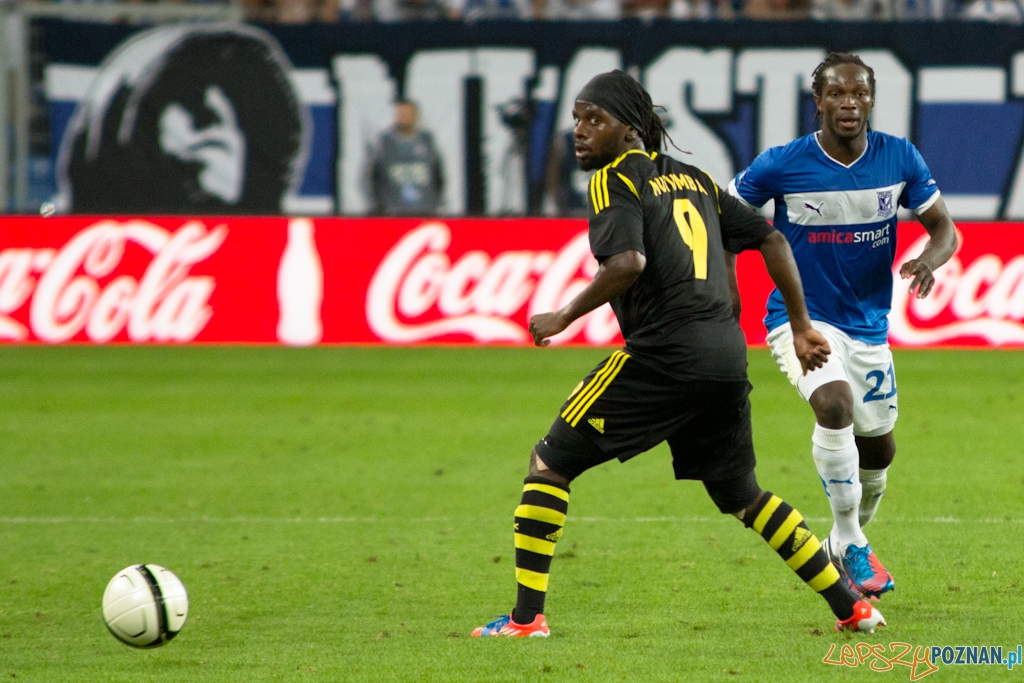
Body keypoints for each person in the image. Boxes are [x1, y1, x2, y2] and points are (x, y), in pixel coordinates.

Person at [471, 70, 885, 639]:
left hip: (666, 354)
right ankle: (852, 607)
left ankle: (524, 620)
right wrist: (801, 325)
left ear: (630, 129)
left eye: (595, 119)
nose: (581, 132)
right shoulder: (695, 180)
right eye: (577, 120)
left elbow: (627, 263)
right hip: (724, 357)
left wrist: (561, 317)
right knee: (743, 495)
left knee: (551, 464)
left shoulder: (614, 180)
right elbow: (772, 238)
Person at [726, 52, 958, 601]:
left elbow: (944, 228)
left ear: (872, 100)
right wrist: (725, 290)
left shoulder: (898, 158)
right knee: (834, 406)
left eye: (859, 93)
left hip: (869, 326)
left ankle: (844, 537)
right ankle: (852, 539)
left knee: (878, 452)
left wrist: (930, 258)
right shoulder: (782, 164)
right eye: (837, 93)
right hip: (800, 320)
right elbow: (723, 218)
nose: (849, 103)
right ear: (819, 102)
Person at [368, 100, 446, 216]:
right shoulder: (385, 144)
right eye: (401, 114)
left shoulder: (427, 141)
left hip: (424, 211)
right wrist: (380, 206)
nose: (404, 118)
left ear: (416, 117)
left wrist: (434, 203)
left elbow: (438, 176)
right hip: (393, 212)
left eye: (408, 114)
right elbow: (373, 178)